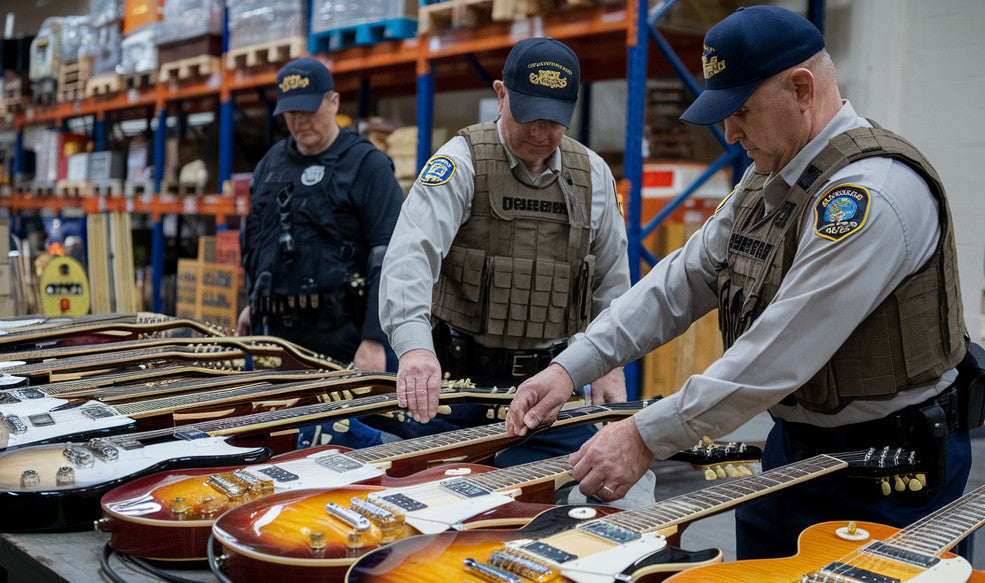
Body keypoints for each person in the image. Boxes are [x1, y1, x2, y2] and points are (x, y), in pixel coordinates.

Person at [506, 5, 981, 560]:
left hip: (891, 475)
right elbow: (680, 282)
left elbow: (778, 351)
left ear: (802, 88)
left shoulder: (871, 198)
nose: (730, 132)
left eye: (743, 111)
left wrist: (645, 435)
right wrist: (573, 364)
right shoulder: (769, 179)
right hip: (793, 453)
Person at [377, 37, 654, 506]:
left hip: (549, 398)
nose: (542, 133)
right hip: (456, 395)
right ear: (501, 94)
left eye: (555, 120)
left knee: (617, 500)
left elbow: (611, 284)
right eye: (530, 116)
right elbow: (409, 260)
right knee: (427, 522)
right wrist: (415, 350)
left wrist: (609, 365)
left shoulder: (594, 178)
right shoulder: (460, 163)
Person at [238, 57, 405, 448]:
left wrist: (375, 339)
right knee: (280, 449)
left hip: (345, 342)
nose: (299, 121)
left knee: (351, 454)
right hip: (278, 344)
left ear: (333, 102)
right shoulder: (270, 164)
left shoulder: (368, 165)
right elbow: (258, 242)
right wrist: (253, 302)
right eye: (290, 112)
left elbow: (390, 256)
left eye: (309, 109)